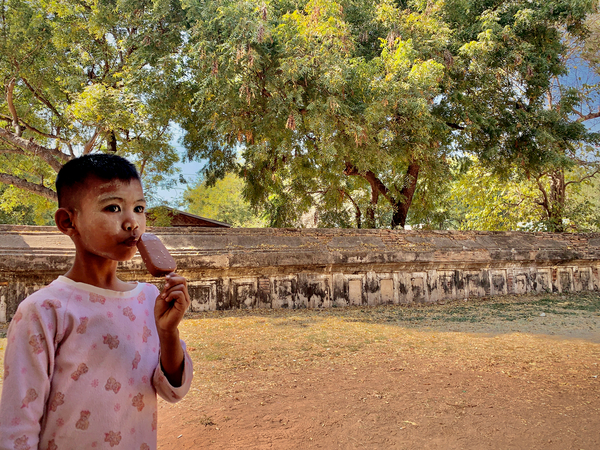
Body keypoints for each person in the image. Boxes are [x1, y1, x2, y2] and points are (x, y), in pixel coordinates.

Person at [0, 154, 193, 449]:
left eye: (139, 208)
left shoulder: (149, 299)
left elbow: (172, 391)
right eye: (113, 207)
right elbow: (17, 426)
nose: (132, 222)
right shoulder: (44, 311)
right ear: (68, 221)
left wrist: (168, 333)